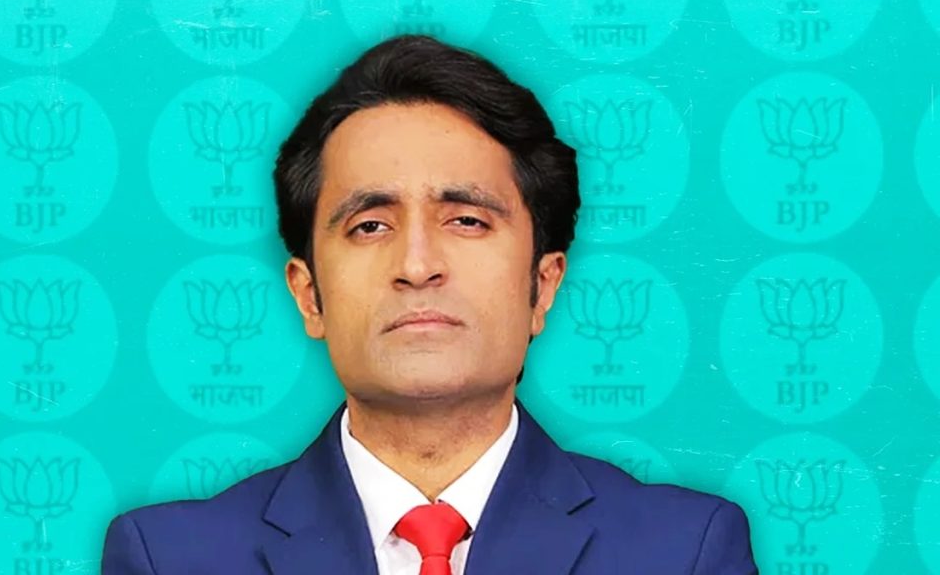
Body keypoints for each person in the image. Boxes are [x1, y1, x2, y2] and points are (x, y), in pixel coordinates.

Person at [101, 34, 759, 574]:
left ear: (544, 284)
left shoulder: (683, 551)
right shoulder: (171, 558)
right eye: (370, 226)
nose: (417, 266)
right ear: (308, 294)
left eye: (467, 220)